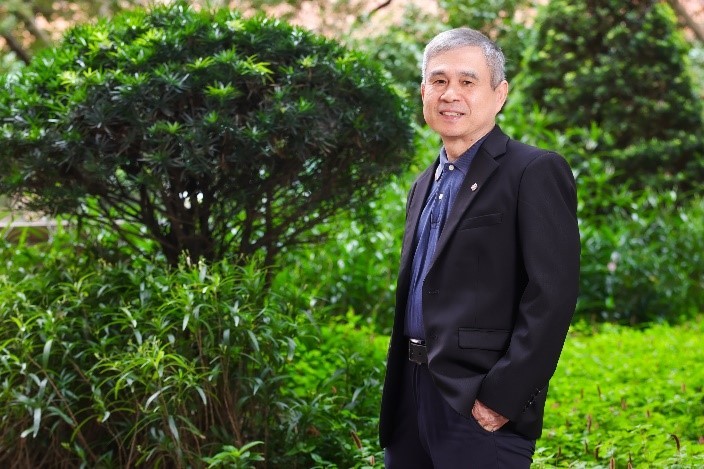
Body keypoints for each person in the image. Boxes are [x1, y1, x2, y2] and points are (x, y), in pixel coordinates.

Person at [379, 27, 581, 468]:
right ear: (423, 92)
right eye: (438, 81)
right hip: (409, 396)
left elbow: (553, 294)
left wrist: (503, 398)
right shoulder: (423, 183)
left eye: (467, 81)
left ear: (499, 94)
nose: (450, 94)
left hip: (477, 403)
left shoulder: (533, 171)